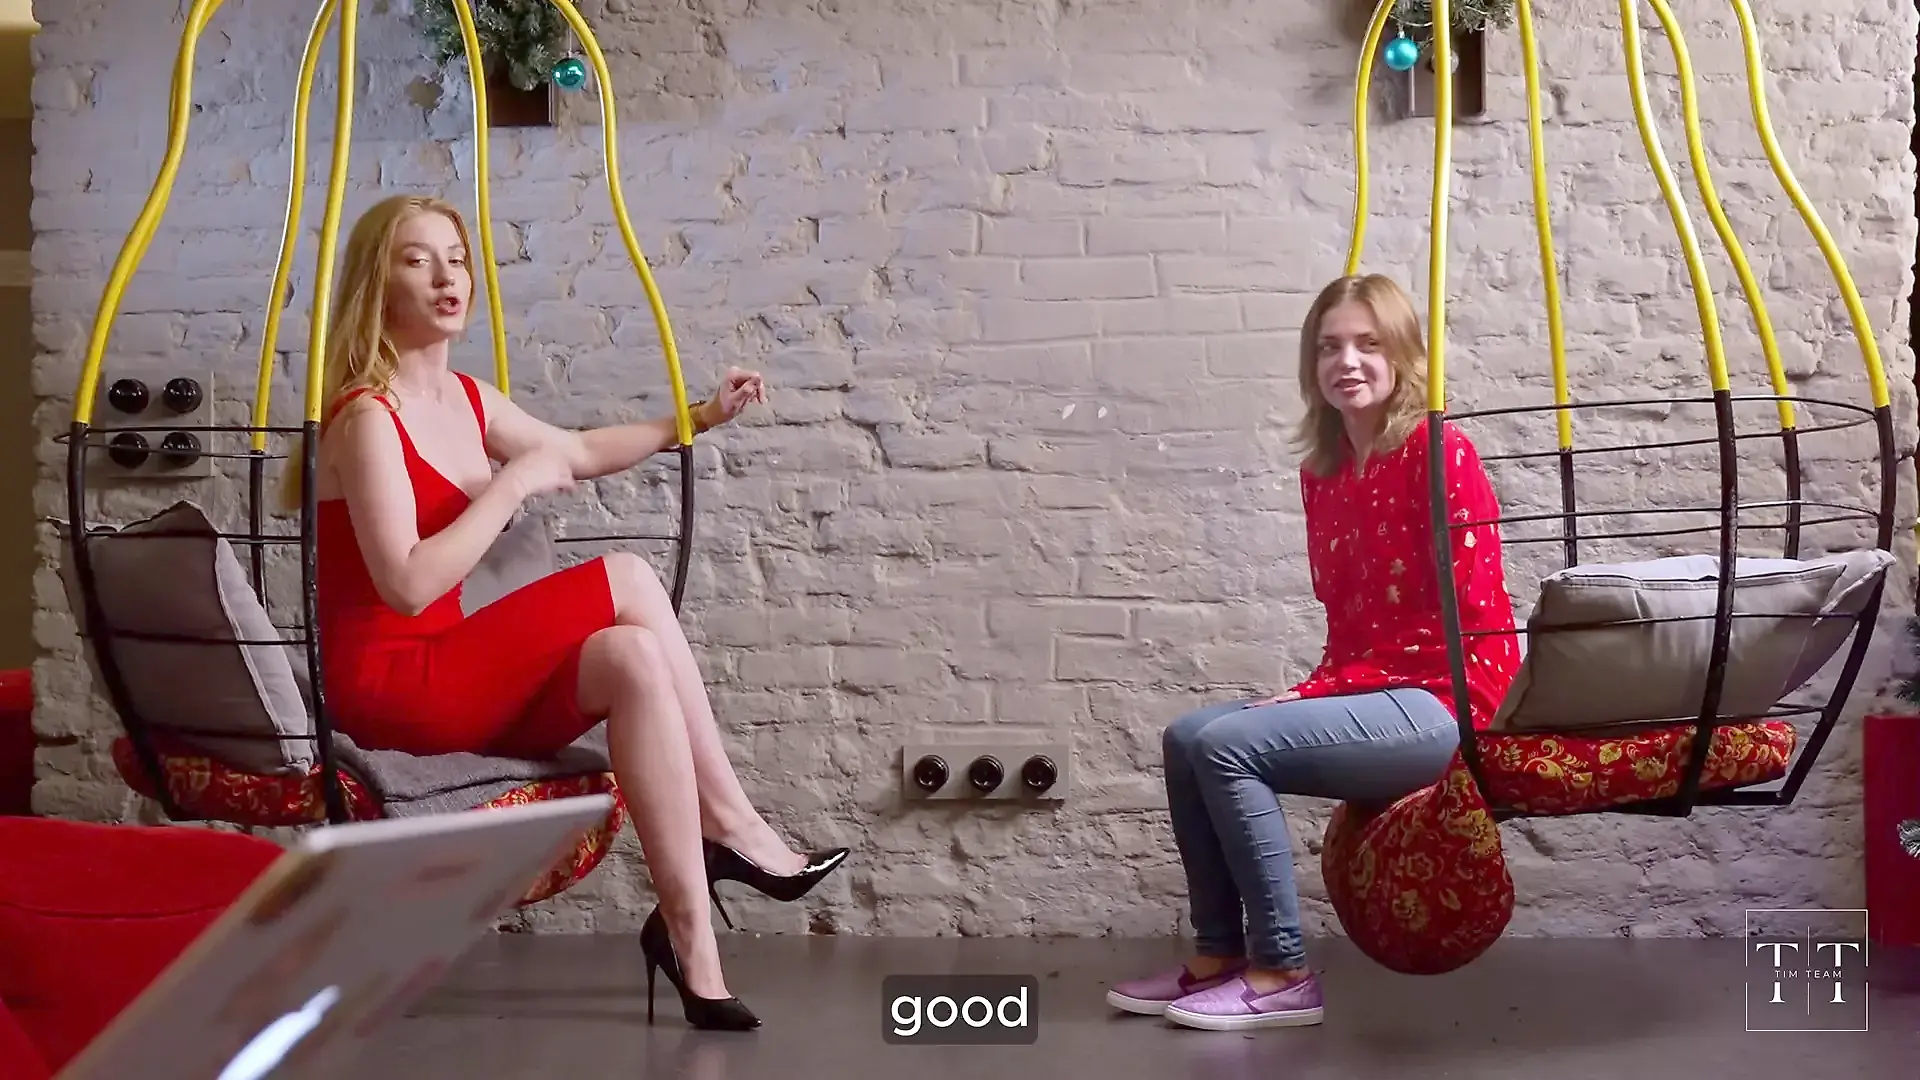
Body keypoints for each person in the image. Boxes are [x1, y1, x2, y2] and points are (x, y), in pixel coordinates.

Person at [292, 194, 848, 1031]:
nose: (446, 277)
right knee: (625, 576)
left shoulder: (469, 399)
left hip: (453, 674)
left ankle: (693, 946)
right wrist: (512, 483)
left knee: (632, 657)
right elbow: (406, 584)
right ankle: (732, 824)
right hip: (389, 684)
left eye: (456, 258)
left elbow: (580, 450)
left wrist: (698, 417)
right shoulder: (367, 417)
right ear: (378, 283)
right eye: (417, 259)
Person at [1106, 274, 1521, 1031]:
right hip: (1376, 689)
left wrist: (1319, 694)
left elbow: (1465, 619)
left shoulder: (1439, 450)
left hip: (1450, 699)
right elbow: (1351, 623)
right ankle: (1218, 957)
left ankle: (1283, 972)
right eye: (1330, 347)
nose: (1347, 362)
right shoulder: (1323, 473)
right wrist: (1323, 686)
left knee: (1228, 746)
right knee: (1187, 737)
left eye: (1369, 344)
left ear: (1403, 356)